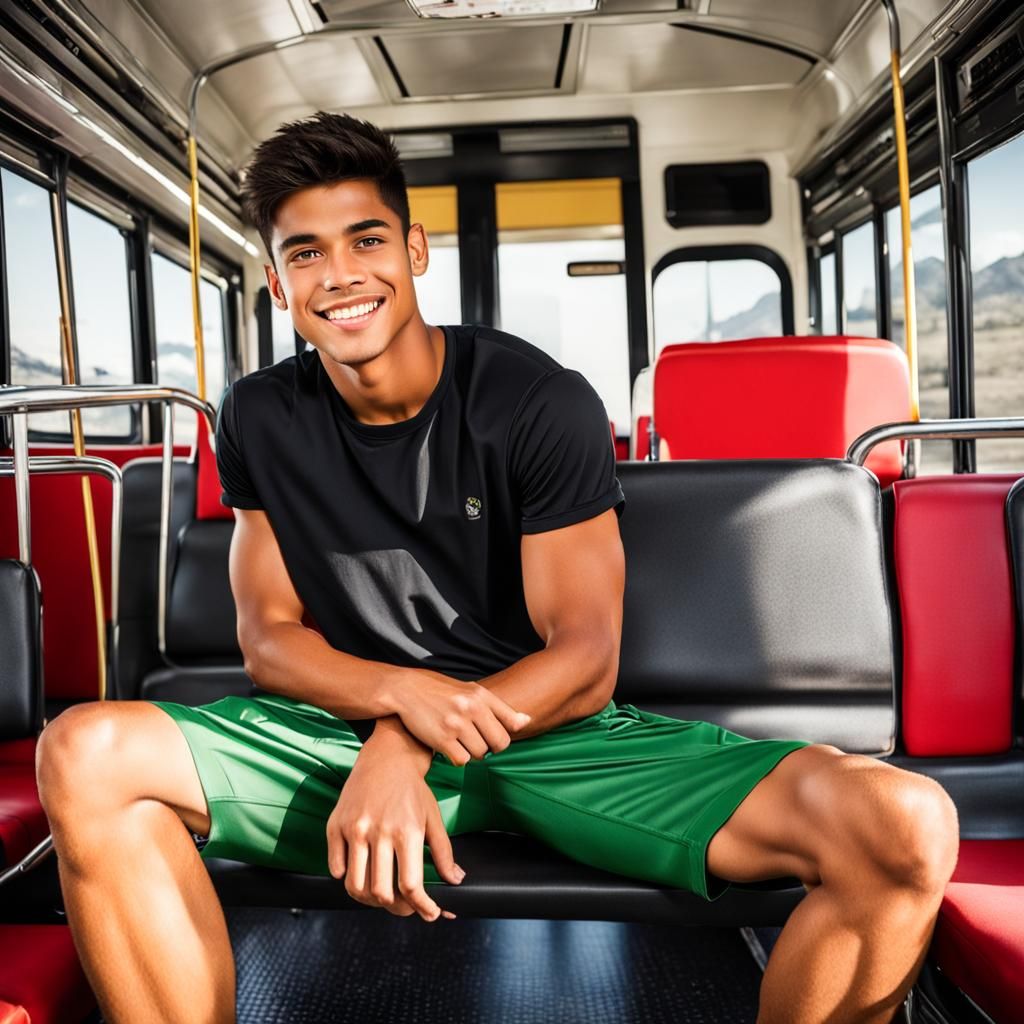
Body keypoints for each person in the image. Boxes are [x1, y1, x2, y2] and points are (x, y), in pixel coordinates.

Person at [36, 112, 959, 1024]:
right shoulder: (255, 416)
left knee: (901, 827)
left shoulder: (538, 401)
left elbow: (585, 657)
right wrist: (396, 707)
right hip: (340, 739)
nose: (341, 274)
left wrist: (409, 741)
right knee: (83, 755)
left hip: (549, 734)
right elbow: (269, 640)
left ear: (415, 249)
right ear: (277, 283)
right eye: (306, 253)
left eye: (366, 240)